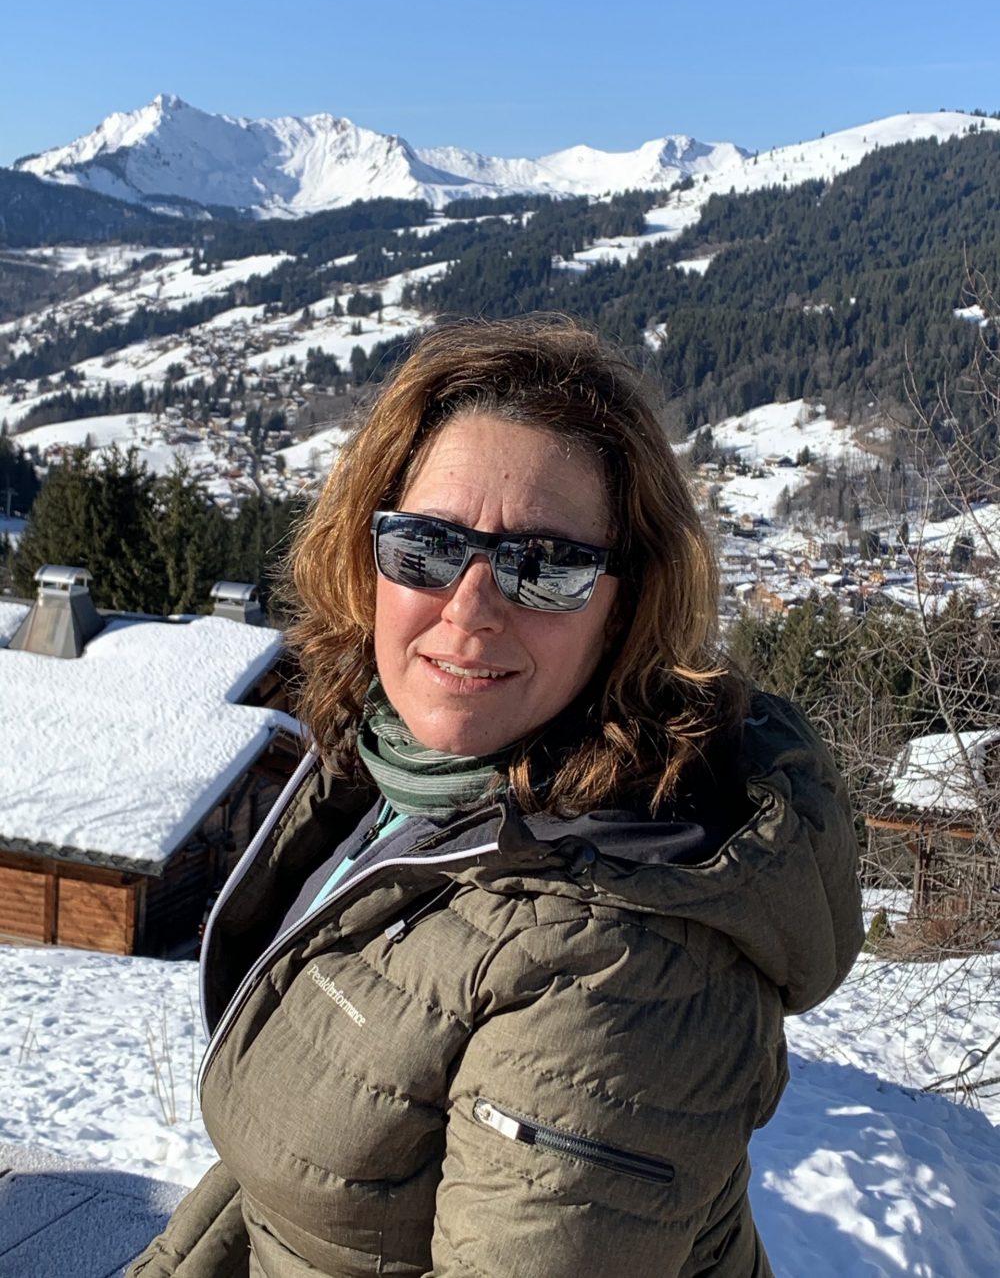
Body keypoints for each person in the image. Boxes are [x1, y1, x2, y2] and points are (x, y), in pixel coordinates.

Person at [128, 316, 862, 1278]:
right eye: (428, 546)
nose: (469, 609)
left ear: (624, 605)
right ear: (370, 548)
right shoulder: (402, 774)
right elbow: (305, 1196)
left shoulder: (620, 967)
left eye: (544, 566)